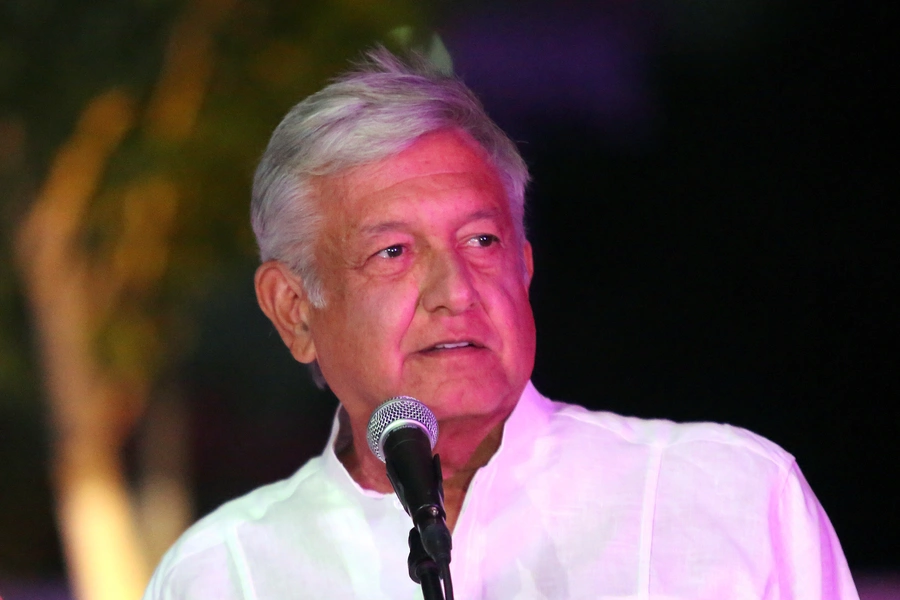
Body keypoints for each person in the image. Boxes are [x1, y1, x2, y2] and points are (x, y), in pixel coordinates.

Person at [143, 48, 858, 599]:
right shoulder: (226, 573)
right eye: (392, 253)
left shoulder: (725, 493)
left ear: (524, 264)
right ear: (295, 311)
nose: (455, 290)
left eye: (481, 242)